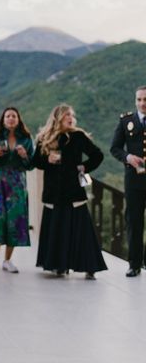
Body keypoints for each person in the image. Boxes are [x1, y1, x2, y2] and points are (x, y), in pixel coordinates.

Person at [33, 104, 107, 279]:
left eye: (72, 115)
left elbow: (98, 155)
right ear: (58, 117)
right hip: (54, 192)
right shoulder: (45, 137)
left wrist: (83, 167)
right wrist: (47, 159)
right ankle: (59, 265)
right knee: (57, 229)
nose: (71, 117)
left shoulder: (78, 136)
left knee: (82, 230)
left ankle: (90, 266)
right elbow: (36, 161)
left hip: (74, 192)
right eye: (67, 114)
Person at [0, 107, 34, 273]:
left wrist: (25, 155)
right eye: (8, 116)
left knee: (15, 220)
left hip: (17, 183)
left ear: (18, 119)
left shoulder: (26, 138)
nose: (11, 118)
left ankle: (8, 259)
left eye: (14, 116)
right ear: (3, 119)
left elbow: (32, 164)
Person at [110, 86, 146, 277]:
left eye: (145, 100)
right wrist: (128, 157)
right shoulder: (126, 120)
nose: (142, 103)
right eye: (139, 99)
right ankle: (134, 264)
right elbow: (114, 148)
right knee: (134, 222)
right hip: (134, 181)